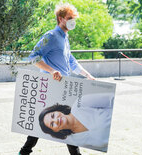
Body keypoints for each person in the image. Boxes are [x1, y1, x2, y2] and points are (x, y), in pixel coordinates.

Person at [19, 3, 95, 155]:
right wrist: (52, 70)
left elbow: (72, 62)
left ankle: (24, 152)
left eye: (73, 18)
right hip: (50, 86)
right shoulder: (51, 36)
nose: (72, 21)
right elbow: (33, 57)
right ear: (60, 19)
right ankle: (24, 151)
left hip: (63, 87)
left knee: (56, 125)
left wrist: (87, 75)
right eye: (69, 18)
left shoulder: (65, 39)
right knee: (44, 124)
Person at [38, 93, 114, 152]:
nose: (56, 120)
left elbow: (112, 99)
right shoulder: (76, 141)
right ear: (55, 131)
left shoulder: (81, 102)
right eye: (52, 124)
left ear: (57, 110)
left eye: (53, 115)